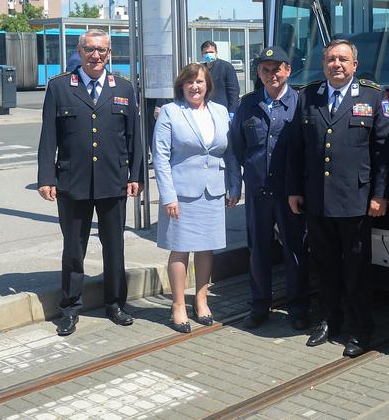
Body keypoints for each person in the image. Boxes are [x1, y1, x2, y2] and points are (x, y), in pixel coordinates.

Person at [287, 39, 389, 357]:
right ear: (324, 64)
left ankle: (362, 328)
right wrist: (295, 189)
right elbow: (296, 148)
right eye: (331, 59)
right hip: (317, 199)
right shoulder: (308, 96)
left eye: (343, 59)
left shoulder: (373, 95)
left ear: (354, 65)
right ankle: (328, 320)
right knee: (324, 266)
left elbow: (384, 150)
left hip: (356, 200)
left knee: (357, 267)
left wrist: (380, 195)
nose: (336, 64)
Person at [37, 30, 143, 336]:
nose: (96, 55)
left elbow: (134, 136)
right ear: (80, 52)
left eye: (102, 50)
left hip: (113, 181)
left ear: (110, 54)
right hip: (72, 182)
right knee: (73, 248)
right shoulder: (60, 87)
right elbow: (49, 137)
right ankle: (69, 308)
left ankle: (116, 304)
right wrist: (46, 177)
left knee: (114, 247)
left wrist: (135, 176)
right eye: (90, 50)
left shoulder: (122, 87)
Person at [228, 46, 310, 330]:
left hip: (290, 194)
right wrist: (240, 181)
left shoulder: (301, 103)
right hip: (258, 191)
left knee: (294, 250)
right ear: (258, 73)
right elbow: (236, 147)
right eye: (265, 69)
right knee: (258, 251)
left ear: (288, 70)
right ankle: (260, 304)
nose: (271, 74)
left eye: (277, 68)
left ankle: (298, 306)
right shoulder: (247, 104)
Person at [153, 62, 239, 333]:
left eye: (200, 82)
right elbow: (161, 156)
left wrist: (234, 185)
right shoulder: (170, 111)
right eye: (189, 82)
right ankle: (178, 304)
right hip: (180, 193)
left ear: (208, 85)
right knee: (180, 248)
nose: (194, 87)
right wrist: (168, 196)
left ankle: (200, 299)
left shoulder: (220, 111)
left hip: (212, 191)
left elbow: (230, 152)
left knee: (206, 248)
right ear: (181, 86)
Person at [200, 41, 241, 116]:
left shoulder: (226, 67)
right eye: (206, 53)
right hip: (204, 110)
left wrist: (232, 111)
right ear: (202, 54)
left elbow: (233, 91)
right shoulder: (201, 69)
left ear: (216, 52)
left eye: (211, 52)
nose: (208, 54)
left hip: (222, 110)